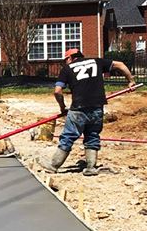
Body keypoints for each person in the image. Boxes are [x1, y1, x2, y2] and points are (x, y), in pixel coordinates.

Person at [37, 48, 136, 176]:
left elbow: (57, 91)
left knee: (68, 136)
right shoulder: (96, 62)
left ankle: (53, 165)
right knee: (92, 135)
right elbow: (120, 64)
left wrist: (62, 107)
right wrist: (131, 81)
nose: (65, 63)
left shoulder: (67, 68)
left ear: (70, 58)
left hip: (78, 108)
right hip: (97, 107)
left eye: (65, 60)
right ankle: (91, 168)